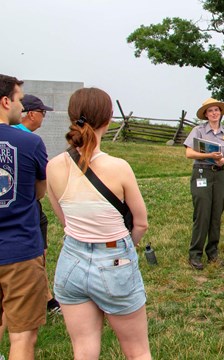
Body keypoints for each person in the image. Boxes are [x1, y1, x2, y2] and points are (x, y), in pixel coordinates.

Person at [46, 87, 151, 359]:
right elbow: (140, 223)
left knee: (83, 349)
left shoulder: (54, 166)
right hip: (114, 258)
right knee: (137, 352)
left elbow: (63, 217)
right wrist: (129, 247)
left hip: (71, 261)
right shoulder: (119, 167)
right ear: (108, 119)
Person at [0, 74, 49, 360]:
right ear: (6, 101)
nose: (21, 106)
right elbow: (39, 192)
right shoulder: (30, 143)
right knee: (22, 337)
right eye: (19, 99)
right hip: (20, 250)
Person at [14, 94, 62, 315]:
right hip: (28, 207)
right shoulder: (30, 141)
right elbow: (41, 184)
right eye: (43, 113)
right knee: (37, 254)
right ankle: (44, 302)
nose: (43, 118)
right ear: (31, 114)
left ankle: (47, 300)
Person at [184, 98, 224, 270]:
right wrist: (208, 156)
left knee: (216, 214)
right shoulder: (198, 131)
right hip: (202, 172)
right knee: (202, 213)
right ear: (206, 115)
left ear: (220, 113)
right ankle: (195, 254)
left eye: (216, 110)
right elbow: (189, 153)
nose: (214, 113)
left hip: (220, 175)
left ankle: (213, 253)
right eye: (210, 111)